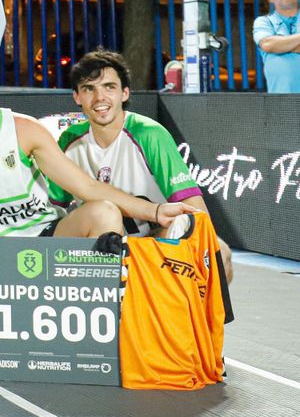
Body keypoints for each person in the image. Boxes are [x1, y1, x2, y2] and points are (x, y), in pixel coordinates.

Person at [0, 47, 190, 239]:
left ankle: (108, 305)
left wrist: (154, 211)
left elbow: (87, 187)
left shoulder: (22, 129)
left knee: (103, 212)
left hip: (44, 236)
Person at [54, 50, 232, 278]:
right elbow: (52, 208)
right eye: (89, 88)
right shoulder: (70, 140)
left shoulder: (149, 134)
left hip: (152, 241)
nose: (100, 98)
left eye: (109, 87)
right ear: (77, 97)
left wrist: (208, 253)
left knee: (219, 254)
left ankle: (186, 309)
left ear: (124, 93)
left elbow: (193, 209)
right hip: (101, 248)